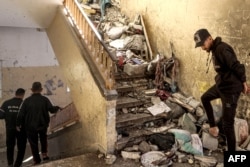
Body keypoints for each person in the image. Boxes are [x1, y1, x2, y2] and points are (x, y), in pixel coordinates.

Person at [193, 28, 248, 151]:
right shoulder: (214, 50)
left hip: (231, 89)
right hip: (222, 85)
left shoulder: (222, 49)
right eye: (200, 45)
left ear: (210, 38)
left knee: (228, 124)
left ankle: (234, 157)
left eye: (203, 44)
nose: (202, 48)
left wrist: (244, 82)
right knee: (205, 98)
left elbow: (236, 65)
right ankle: (214, 128)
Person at [16, 82, 60, 165]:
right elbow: (51, 109)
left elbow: (21, 114)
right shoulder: (45, 99)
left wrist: (18, 124)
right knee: (43, 139)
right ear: (41, 90)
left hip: (30, 126)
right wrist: (57, 108)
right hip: (42, 124)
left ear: (32, 90)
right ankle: (44, 155)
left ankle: (37, 160)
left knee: (33, 143)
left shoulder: (26, 101)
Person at [0, 88, 27, 167]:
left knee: (10, 147)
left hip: (10, 129)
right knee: (21, 147)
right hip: (21, 129)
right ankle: (18, 164)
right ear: (22, 95)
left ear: (15, 94)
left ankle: (10, 164)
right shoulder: (24, 104)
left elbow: (1, 115)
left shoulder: (6, 103)